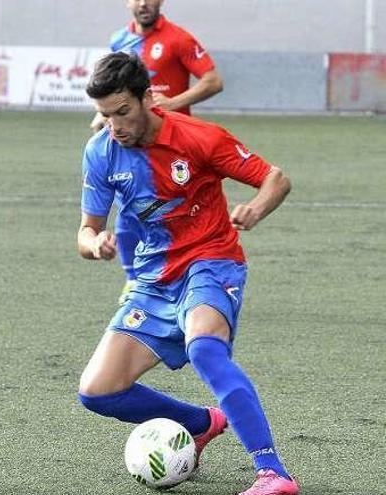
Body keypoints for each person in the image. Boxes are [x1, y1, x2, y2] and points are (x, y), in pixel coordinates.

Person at [76, 52, 298, 495]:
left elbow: (275, 178)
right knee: (97, 391)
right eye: (105, 115)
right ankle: (203, 422)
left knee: (205, 350)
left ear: (148, 99)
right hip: (154, 280)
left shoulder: (198, 137)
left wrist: (255, 208)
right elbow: (86, 229)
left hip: (211, 260)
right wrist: (94, 244)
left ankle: (273, 473)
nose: (114, 126)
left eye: (122, 112)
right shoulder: (101, 153)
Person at [90, 0, 224, 305]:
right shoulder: (119, 41)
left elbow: (213, 81)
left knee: (183, 213)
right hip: (133, 143)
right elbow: (113, 90)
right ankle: (135, 281)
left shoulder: (179, 39)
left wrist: (172, 103)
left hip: (177, 144)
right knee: (130, 209)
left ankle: (199, 278)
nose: (143, 3)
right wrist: (105, 117)